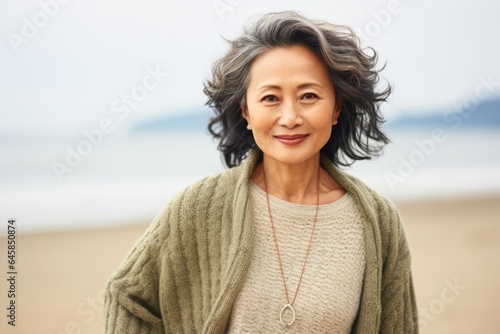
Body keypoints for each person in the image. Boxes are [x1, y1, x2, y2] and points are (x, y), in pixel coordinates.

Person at [104, 11, 418, 333]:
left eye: (308, 96)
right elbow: (127, 295)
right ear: (246, 112)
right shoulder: (200, 207)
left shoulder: (378, 221)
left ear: (336, 107)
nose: (290, 117)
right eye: (270, 98)